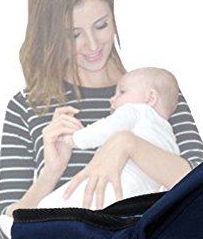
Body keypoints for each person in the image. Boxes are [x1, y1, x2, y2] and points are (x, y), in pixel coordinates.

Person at [0, 0, 203, 239]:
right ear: (50, 35)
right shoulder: (27, 107)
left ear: (113, 14)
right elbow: (6, 232)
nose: (93, 45)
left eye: (101, 25)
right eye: (74, 34)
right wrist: (50, 174)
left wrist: (126, 144)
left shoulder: (155, 93)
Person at [38, 66, 181, 209]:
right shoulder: (171, 143)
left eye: (122, 92)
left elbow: (104, 129)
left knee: (49, 204)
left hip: (112, 184)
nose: (112, 99)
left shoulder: (137, 110)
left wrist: (74, 139)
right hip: (138, 199)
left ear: (150, 98)